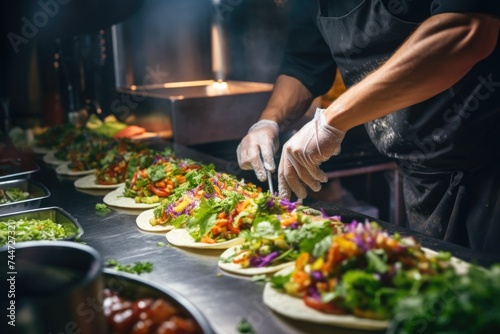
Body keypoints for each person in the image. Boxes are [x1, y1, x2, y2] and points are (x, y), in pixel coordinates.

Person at [237, 0, 500, 253]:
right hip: (421, 175)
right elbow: (303, 64)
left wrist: (331, 120)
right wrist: (268, 120)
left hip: (488, 163)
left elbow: (467, 29)